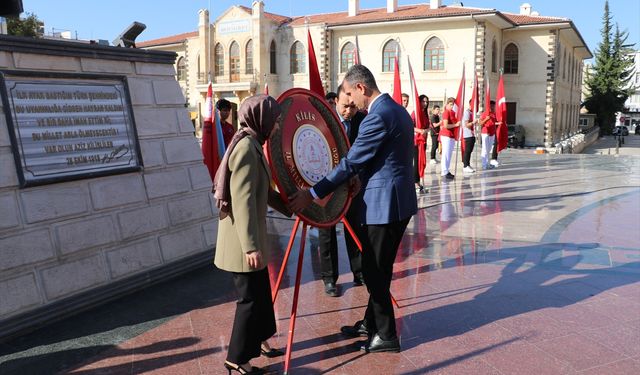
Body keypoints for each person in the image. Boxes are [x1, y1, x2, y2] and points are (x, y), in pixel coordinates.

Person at [288, 64, 417, 354]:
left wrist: (312, 194)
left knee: (373, 271)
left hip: (385, 205)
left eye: (348, 93)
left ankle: (386, 335)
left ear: (361, 87)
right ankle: (370, 323)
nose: (349, 102)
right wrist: (360, 177)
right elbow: (383, 158)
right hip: (399, 201)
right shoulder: (396, 110)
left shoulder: (377, 116)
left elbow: (350, 162)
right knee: (379, 268)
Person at [213, 95, 289, 374]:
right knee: (249, 300)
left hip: (251, 237)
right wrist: (250, 247)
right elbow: (242, 200)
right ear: (263, 119)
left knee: (260, 293)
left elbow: (264, 192)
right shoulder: (246, 148)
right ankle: (237, 358)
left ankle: (261, 340)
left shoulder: (253, 143)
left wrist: (292, 205)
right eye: (276, 120)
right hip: (241, 242)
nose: (278, 125)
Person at [318, 86, 365, 297]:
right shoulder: (323, 121)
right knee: (326, 232)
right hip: (327, 183)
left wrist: (358, 176)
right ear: (336, 100)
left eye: (353, 107)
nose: (349, 111)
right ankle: (329, 278)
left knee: (354, 228)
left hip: (352, 185)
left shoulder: (362, 121)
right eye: (345, 106)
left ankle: (359, 272)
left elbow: (365, 152)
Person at [411, 94, 430, 193]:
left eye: (427, 102)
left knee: (422, 162)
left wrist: (427, 130)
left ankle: (419, 182)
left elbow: (427, 126)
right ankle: (415, 183)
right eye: (423, 101)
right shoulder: (415, 113)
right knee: (417, 162)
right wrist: (420, 131)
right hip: (416, 141)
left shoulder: (425, 113)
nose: (425, 104)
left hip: (424, 141)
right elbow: (410, 125)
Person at [440, 97, 461, 180]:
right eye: (450, 104)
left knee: (449, 154)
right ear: (447, 104)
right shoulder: (446, 112)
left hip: (451, 136)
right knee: (445, 154)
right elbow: (445, 125)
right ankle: (444, 172)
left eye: (453, 105)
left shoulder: (453, 113)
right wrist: (456, 125)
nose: (452, 106)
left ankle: (446, 170)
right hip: (446, 135)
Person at [479, 100, 497, 170]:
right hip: (486, 133)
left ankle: (487, 163)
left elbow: (493, 123)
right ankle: (484, 165)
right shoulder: (484, 114)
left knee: (489, 150)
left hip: (492, 133)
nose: (493, 107)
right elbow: (480, 123)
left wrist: (499, 123)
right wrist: (486, 119)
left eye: (494, 106)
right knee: (485, 149)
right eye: (492, 106)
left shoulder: (493, 114)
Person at [461, 98, 477, 174]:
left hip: (472, 134)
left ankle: (468, 164)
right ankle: (465, 165)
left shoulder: (472, 113)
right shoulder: (467, 112)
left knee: (470, 151)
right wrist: (474, 122)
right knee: (467, 151)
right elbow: (466, 124)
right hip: (468, 134)